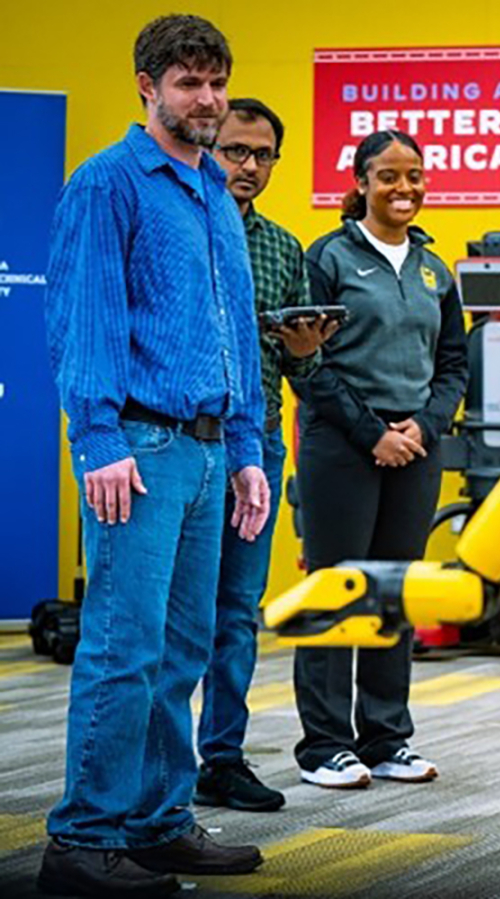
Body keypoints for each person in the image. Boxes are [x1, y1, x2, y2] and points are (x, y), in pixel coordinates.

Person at [40, 14, 269, 897]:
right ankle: (83, 840)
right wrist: (96, 438)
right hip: (137, 446)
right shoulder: (109, 183)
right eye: (188, 83)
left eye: (215, 82)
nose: (206, 99)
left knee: (183, 651)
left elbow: (234, 337)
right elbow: (82, 319)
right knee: (121, 648)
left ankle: (159, 820)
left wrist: (246, 447)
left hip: (213, 455)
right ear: (148, 88)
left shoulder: (215, 189)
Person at [292, 129, 468, 788]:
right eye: (389, 176)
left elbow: (453, 361)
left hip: (415, 448)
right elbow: (307, 361)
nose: (404, 188)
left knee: (393, 593)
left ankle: (387, 737)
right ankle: (324, 745)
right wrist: (373, 433)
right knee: (339, 589)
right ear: (361, 181)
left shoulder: (433, 268)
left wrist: (423, 427)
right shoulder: (329, 257)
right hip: (343, 446)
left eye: (415, 176)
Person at [194, 97, 338, 814]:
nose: (249, 166)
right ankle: (148, 773)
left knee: (238, 610)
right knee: (170, 615)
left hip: (260, 440)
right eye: (235, 150)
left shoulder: (284, 246)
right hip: (181, 438)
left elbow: (304, 373)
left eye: (263, 155)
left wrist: (306, 351)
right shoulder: (174, 222)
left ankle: (220, 757)